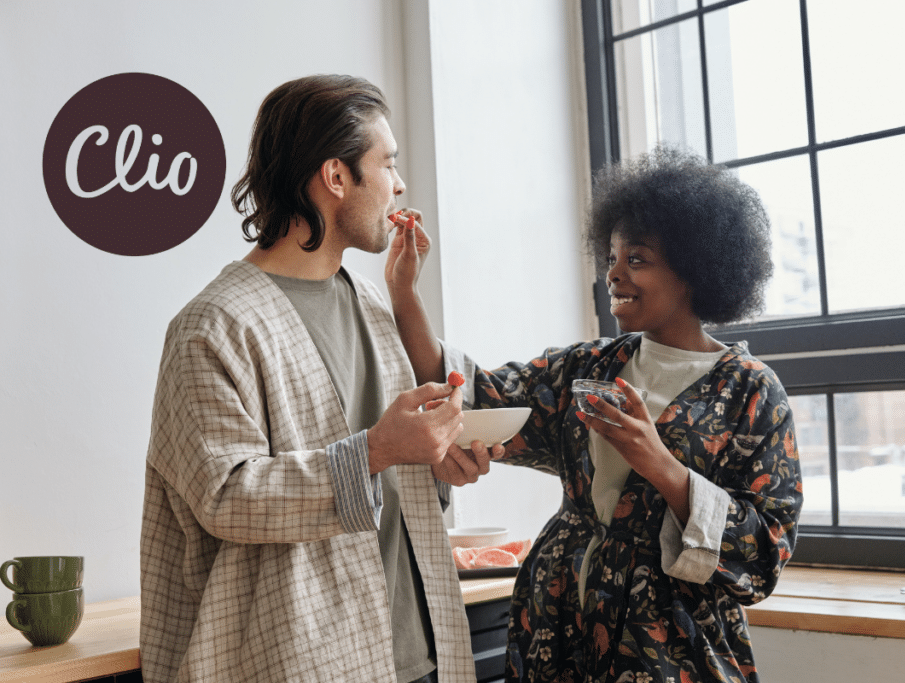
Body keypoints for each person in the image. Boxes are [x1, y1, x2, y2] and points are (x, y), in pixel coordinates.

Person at [386, 146, 803, 683]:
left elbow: (764, 552)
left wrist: (660, 464)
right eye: (611, 258)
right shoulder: (589, 366)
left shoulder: (751, 390)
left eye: (638, 259)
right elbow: (473, 399)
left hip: (670, 648)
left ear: (695, 270)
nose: (614, 274)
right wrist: (404, 294)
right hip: (556, 626)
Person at [140, 75, 495, 683]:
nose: (399, 185)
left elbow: (396, 472)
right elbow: (226, 497)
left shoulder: (371, 305)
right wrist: (380, 449)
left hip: (419, 653)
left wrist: (434, 457)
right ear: (336, 178)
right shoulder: (213, 326)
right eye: (386, 164)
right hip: (298, 662)